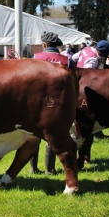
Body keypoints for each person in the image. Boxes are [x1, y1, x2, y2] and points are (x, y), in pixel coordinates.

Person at [30, 32, 75, 175]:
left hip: (36, 101)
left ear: (44, 45)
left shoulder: (36, 58)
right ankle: (49, 169)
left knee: (34, 134)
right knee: (53, 136)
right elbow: (73, 82)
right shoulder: (67, 60)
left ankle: (33, 168)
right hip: (58, 103)